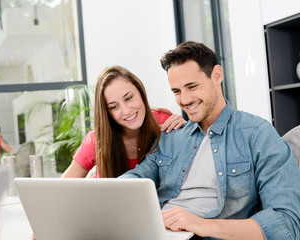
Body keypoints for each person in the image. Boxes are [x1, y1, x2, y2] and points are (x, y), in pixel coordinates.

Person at [120, 41, 300, 239]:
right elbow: (137, 178)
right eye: (177, 91)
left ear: (217, 76)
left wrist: (200, 225)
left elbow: (287, 223)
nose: (185, 100)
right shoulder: (171, 136)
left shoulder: (257, 134)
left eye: (192, 86)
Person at [61, 65, 186, 178]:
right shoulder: (96, 140)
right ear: (107, 113)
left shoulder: (164, 120)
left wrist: (187, 132)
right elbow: (63, 188)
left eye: (129, 98)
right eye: (114, 107)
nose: (126, 111)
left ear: (140, 92)